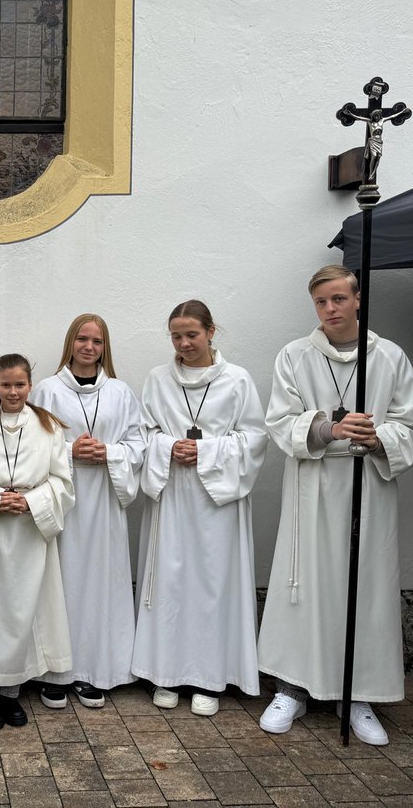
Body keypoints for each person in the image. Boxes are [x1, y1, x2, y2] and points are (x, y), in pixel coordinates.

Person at [258, 265, 413, 746]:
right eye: (321, 302)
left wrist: (378, 437)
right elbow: (280, 420)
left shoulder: (389, 356)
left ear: (357, 300)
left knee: (364, 587)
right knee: (305, 584)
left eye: (338, 299)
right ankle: (292, 689)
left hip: (367, 485)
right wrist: (329, 428)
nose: (330, 309)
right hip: (312, 485)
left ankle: (357, 695)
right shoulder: (294, 355)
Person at [131, 301, 267, 717]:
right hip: (172, 493)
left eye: (192, 334)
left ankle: (209, 677)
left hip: (216, 501)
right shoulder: (158, 379)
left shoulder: (237, 380)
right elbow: (142, 433)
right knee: (169, 581)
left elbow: (254, 438)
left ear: (211, 332)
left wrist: (205, 451)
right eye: (176, 336)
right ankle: (165, 673)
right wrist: (169, 446)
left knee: (212, 584)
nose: (184, 343)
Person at [31, 314, 144, 710]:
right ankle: (55, 673)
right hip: (63, 499)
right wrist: (70, 451)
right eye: (82, 339)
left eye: (97, 341)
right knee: (61, 583)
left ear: (104, 347)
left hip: (105, 501)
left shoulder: (120, 392)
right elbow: (31, 443)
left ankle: (94, 670)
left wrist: (108, 452)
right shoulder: (47, 390)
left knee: (99, 583)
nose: (89, 347)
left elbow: (138, 445)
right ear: (71, 342)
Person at [0, 354, 75, 730]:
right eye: (6, 385)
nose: (13, 392)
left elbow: (62, 481)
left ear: (30, 385)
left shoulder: (47, 425)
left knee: (23, 610)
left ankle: (11, 693)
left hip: (29, 530)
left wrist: (31, 501)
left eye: (20, 385)